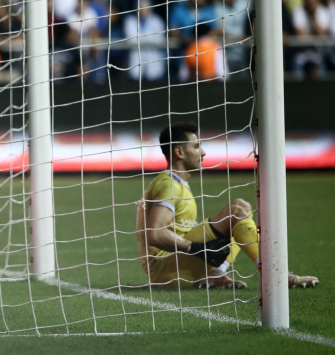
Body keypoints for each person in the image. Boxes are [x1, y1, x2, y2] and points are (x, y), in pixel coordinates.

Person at [136, 122, 319, 289]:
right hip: (164, 269)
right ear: (179, 152)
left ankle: (216, 273)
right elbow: (155, 234)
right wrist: (198, 249)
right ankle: (275, 274)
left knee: (242, 206)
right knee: (235, 213)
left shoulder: (176, 184)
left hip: (176, 265)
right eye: (196, 146)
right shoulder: (168, 185)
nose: (203, 152)